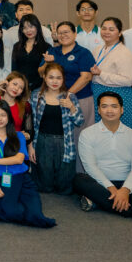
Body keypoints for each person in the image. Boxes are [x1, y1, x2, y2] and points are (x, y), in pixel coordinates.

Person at [0, 100, 56, 228]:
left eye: (3, 115)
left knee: (33, 216)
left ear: (8, 117)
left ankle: (19, 202)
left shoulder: (18, 136)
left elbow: (19, 159)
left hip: (19, 178)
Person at [73, 92, 132, 225]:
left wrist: (125, 190)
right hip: (99, 183)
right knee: (78, 181)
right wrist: (111, 187)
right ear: (99, 110)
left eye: (114, 106)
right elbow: (90, 166)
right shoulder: (87, 134)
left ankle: (97, 202)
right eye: (104, 106)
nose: (109, 111)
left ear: (122, 109)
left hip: (126, 182)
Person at [29, 63, 84, 195]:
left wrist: (72, 107)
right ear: (44, 77)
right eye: (51, 77)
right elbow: (30, 124)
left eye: (58, 78)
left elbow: (79, 121)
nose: (54, 81)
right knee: (44, 185)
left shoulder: (69, 97)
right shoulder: (36, 96)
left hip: (64, 142)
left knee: (64, 186)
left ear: (63, 79)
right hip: (42, 141)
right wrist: (30, 146)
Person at [40, 21, 94, 132]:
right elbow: (41, 73)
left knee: (81, 133)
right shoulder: (52, 51)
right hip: (55, 100)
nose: (63, 35)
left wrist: (68, 94)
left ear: (75, 34)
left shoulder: (83, 53)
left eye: (66, 32)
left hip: (80, 98)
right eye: (60, 33)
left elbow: (86, 77)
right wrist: (47, 63)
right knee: (61, 133)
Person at [90, 17, 132, 131]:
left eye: (111, 29)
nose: (106, 32)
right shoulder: (98, 49)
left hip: (118, 94)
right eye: (104, 28)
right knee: (100, 130)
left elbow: (128, 80)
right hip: (97, 92)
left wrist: (101, 73)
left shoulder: (124, 52)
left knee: (122, 131)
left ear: (120, 32)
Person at [0, 72, 34, 141]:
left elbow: (29, 130)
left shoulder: (26, 106)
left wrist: (27, 135)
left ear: (22, 92)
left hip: (15, 143)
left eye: (20, 88)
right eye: (14, 84)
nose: (16, 88)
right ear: (6, 83)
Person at [11, 14, 51, 91]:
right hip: (20, 88)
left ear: (37, 27)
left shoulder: (46, 47)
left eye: (31, 26)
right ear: (21, 30)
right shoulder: (17, 46)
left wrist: (31, 88)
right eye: (25, 28)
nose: (28, 30)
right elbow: (14, 70)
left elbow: (47, 72)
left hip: (39, 88)